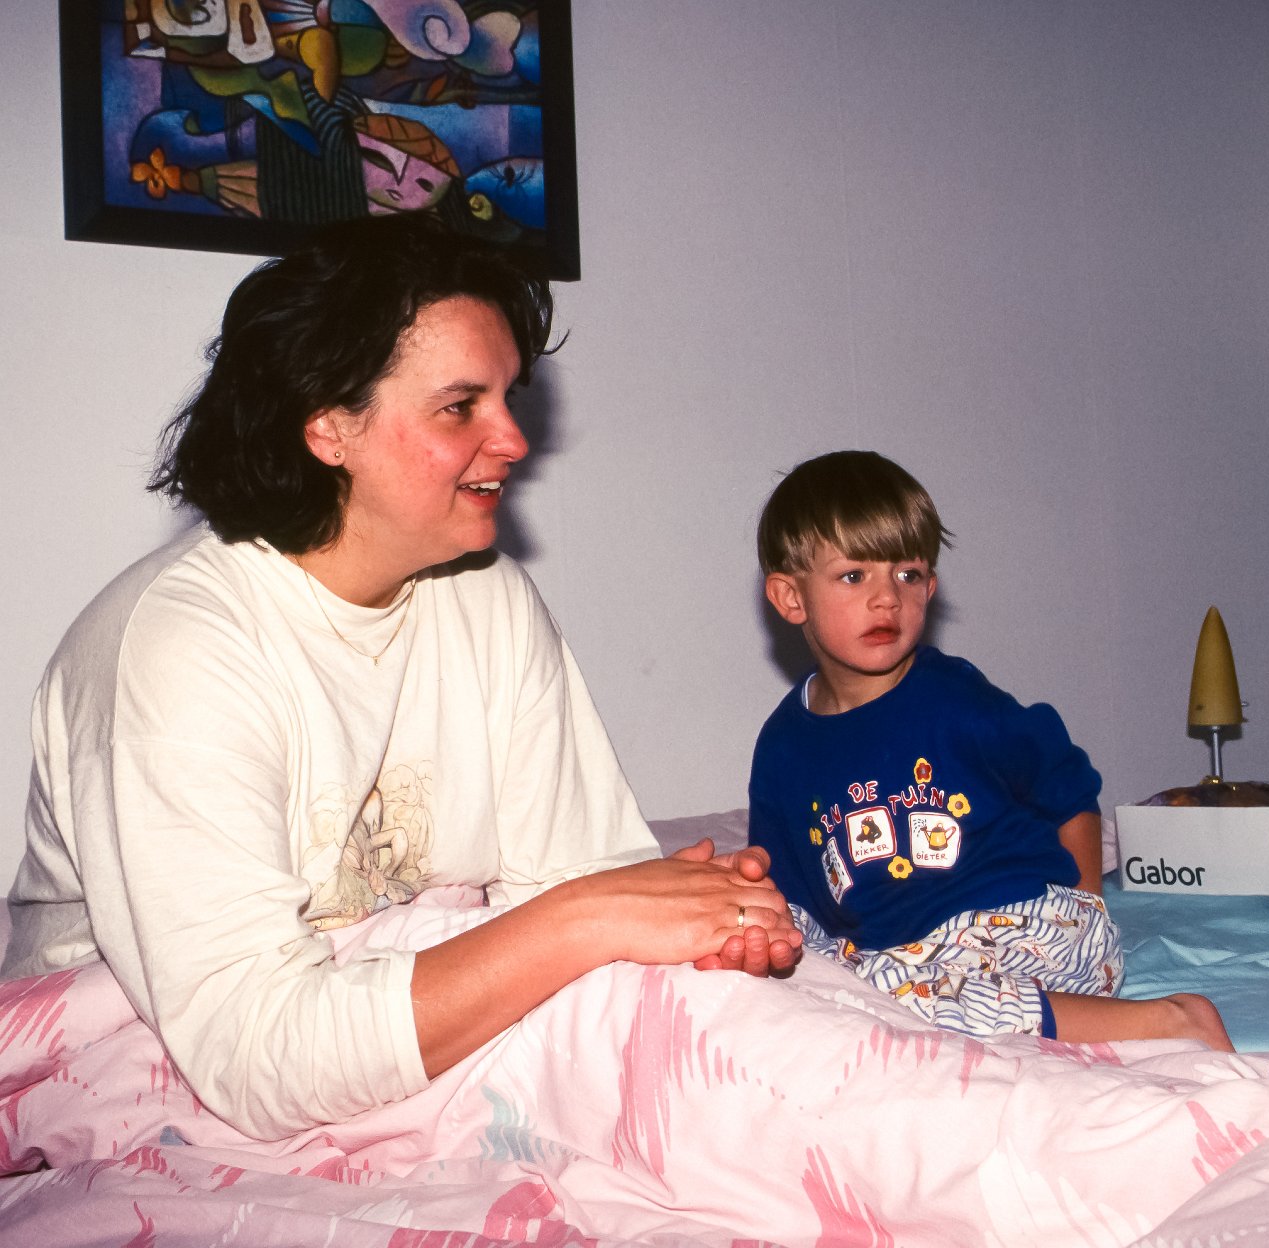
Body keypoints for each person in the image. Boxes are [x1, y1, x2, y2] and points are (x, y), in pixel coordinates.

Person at [1, 213, 801, 1142]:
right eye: (461, 406)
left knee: (742, 1049)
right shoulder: (174, 647)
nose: (514, 439)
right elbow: (253, 1056)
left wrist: (706, 926)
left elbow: (584, 880)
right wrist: (588, 917)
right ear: (329, 426)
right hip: (135, 1066)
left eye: (508, 398)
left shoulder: (488, 596)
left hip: (386, 1017)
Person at [748, 450, 1229, 1048]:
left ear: (931, 587)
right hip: (915, 958)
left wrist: (1085, 903)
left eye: (908, 575)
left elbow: (1067, 786)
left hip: (1030, 925)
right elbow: (787, 893)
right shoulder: (783, 748)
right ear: (790, 598)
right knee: (822, 993)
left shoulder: (956, 699)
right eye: (854, 576)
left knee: (892, 993)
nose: (887, 598)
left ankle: (1172, 1020)